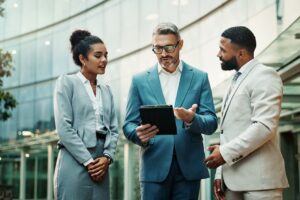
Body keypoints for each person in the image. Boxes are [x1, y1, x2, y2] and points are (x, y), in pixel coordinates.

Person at [123, 22, 218, 200]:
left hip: (188, 168)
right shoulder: (139, 81)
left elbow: (211, 122)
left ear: (180, 44)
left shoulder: (199, 78)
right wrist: (137, 134)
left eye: (169, 47)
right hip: (154, 165)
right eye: (158, 49)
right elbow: (128, 124)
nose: (164, 54)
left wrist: (192, 119)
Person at [204, 26, 289, 200]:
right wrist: (221, 174)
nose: (218, 55)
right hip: (233, 183)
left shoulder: (265, 75)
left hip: (260, 185)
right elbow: (227, 133)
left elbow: (264, 126)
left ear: (241, 53)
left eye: (222, 50)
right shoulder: (236, 79)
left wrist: (225, 154)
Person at [53, 30, 118, 200]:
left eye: (106, 55)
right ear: (82, 58)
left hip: (102, 164)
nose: (104, 60)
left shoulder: (107, 91)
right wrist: (88, 162)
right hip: (75, 159)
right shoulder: (66, 82)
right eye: (98, 55)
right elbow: (64, 128)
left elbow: (113, 129)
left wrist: (107, 157)